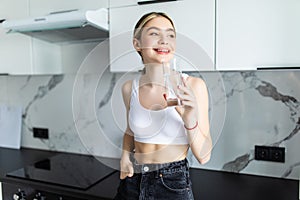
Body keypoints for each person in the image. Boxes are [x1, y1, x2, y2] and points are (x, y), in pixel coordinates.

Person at [114, 12, 212, 200]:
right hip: (132, 180)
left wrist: (190, 119)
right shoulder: (129, 88)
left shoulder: (193, 86)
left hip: (171, 183)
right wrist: (125, 157)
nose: (164, 40)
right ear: (137, 44)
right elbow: (130, 131)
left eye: (170, 35)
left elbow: (204, 156)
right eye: (154, 33)